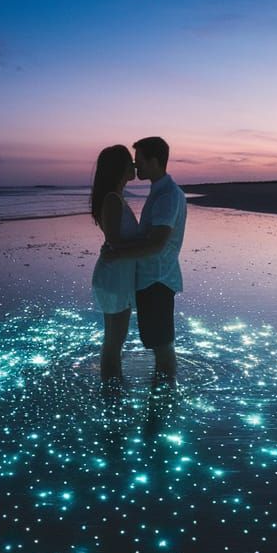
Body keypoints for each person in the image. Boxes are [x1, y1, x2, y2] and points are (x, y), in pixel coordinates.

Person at [102, 136, 186, 384]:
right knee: (158, 342)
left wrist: (117, 254)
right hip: (152, 279)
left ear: (154, 161)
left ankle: (164, 398)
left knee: (162, 345)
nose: (136, 166)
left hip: (157, 280)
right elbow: (150, 239)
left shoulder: (168, 196)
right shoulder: (159, 192)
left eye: (139, 161)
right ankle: (162, 392)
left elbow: (156, 243)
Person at [90, 144, 140, 382]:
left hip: (118, 275)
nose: (134, 166)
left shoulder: (117, 198)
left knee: (114, 340)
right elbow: (114, 243)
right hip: (113, 277)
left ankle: (112, 388)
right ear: (119, 167)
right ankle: (111, 394)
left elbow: (115, 244)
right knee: (113, 342)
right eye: (130, 162)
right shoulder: (112, 199)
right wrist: (152, 244)